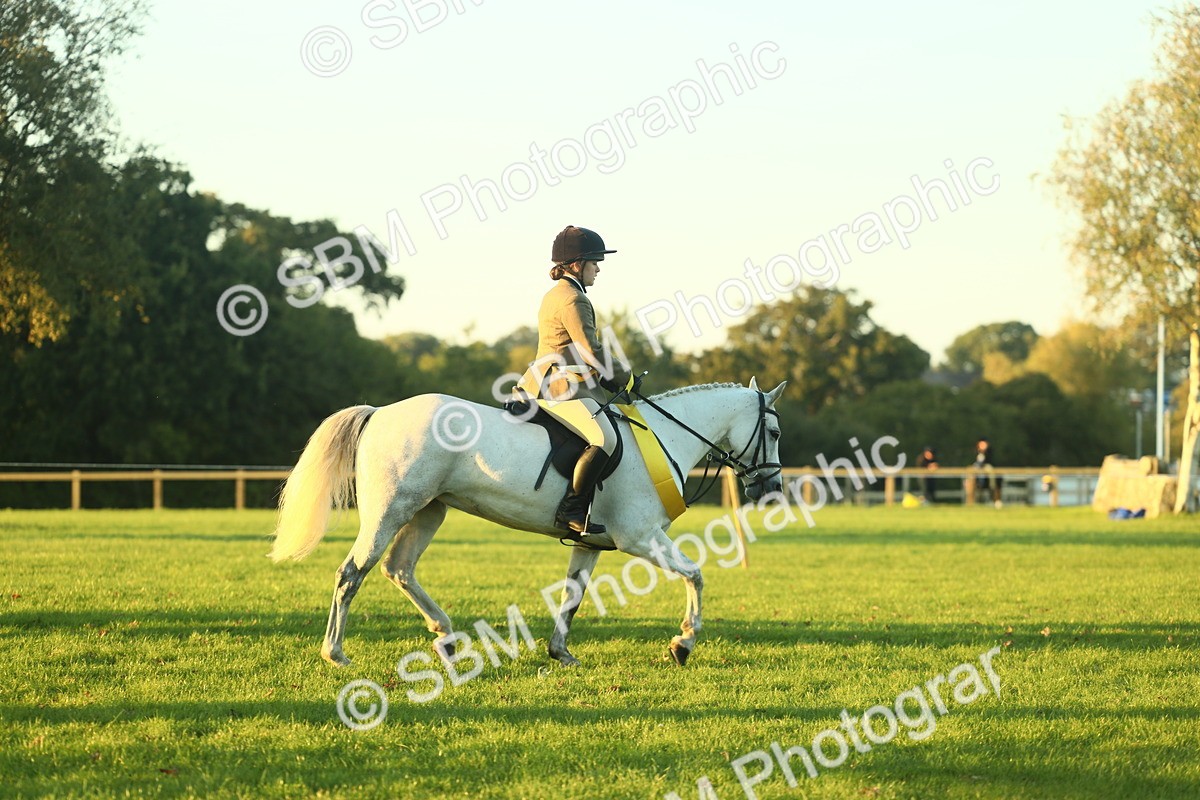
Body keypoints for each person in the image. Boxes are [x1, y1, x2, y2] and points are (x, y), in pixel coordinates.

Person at [516, 225, 637, 537]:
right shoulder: (574, 299)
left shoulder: (555, 294)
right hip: (556, 386)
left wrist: (602, 377)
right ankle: (572, 509)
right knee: (605, 439)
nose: (598, 269)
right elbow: (590, 349)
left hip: (543, 379)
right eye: (594, 263)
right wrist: (625, 378)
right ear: (576, 265)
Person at [973, 437, 1002, 508]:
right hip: (977, 474)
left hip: (987, 475)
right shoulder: (975, 452)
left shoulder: (990, 453)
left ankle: (993, 490)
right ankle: (971, 501)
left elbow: (990, 463)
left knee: (990, 471)